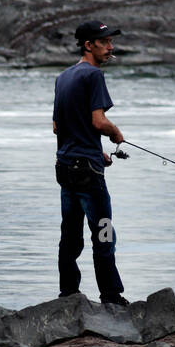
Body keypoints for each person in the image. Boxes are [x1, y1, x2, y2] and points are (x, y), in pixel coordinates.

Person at [52, 18, 128, 306]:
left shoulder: (63, 77)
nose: (111, 47)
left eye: (111, 42)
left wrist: (96, 152)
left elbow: (58, 126)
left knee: (70, 236)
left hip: (65, 168)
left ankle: (68, 294)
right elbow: (98, 121)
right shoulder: (94, 76)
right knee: (104, 231)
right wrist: (116, 134)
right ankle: (111, 296)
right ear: (88, 45)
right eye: (105, 42)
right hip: (88, 172)